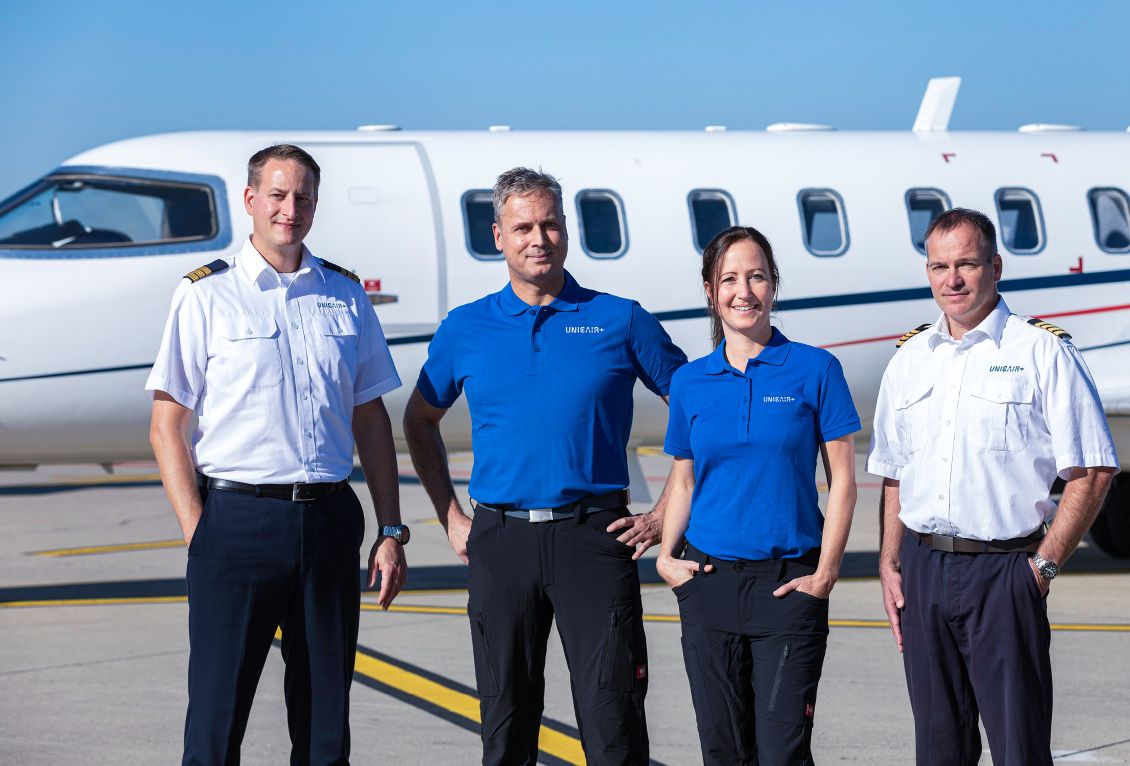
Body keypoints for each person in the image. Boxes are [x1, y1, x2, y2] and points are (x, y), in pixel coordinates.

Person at [403, 167, 686, 765]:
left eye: (550, 224)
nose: (539, 238)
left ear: (566, 231)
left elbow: (700, 407)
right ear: (497, 237)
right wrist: (451, 516)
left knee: (614, 728)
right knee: (505, 731)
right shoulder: (466, 328)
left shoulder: (619, 319)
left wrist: (664, 513)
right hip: (500, 542)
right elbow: (419, 421)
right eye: (523, 226)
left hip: (594, 538)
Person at [147, 144, 409, 766]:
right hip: (237, 523)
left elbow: (370, 419)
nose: (290, 209)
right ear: (250, 201)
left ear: (315, 206)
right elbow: (167, 425)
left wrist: (390, 528)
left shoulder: (344, 294)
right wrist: (199, 531)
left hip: (327, 520)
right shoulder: (206, 294)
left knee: (324, 726)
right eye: (277, 194)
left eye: (303, 197)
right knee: (216, 720)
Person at [868, 208, 1119, 766]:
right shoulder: (909, 360)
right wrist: (890, 562)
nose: (951, 280)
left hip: (1005, 573)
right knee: (937, 749)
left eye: (966, 264)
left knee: (1018, 749)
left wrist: (1043, 567)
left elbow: (1094, 469)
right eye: (939, 266)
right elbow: (893, 473)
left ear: (996, 267)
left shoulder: (1041, 350)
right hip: (924, 570)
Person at [655, 225, 860, 765]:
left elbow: (843, 479)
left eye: (756, 277)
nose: (743, 291)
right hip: (708, 584)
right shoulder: (691, 382)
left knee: (781, 753)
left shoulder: (816, 369)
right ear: (709, 290)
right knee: (723, 752)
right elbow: (684, 477)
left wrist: (827, 572)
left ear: (773, 286)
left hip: (789, 587)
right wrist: (665, 558)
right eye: (729, 279)